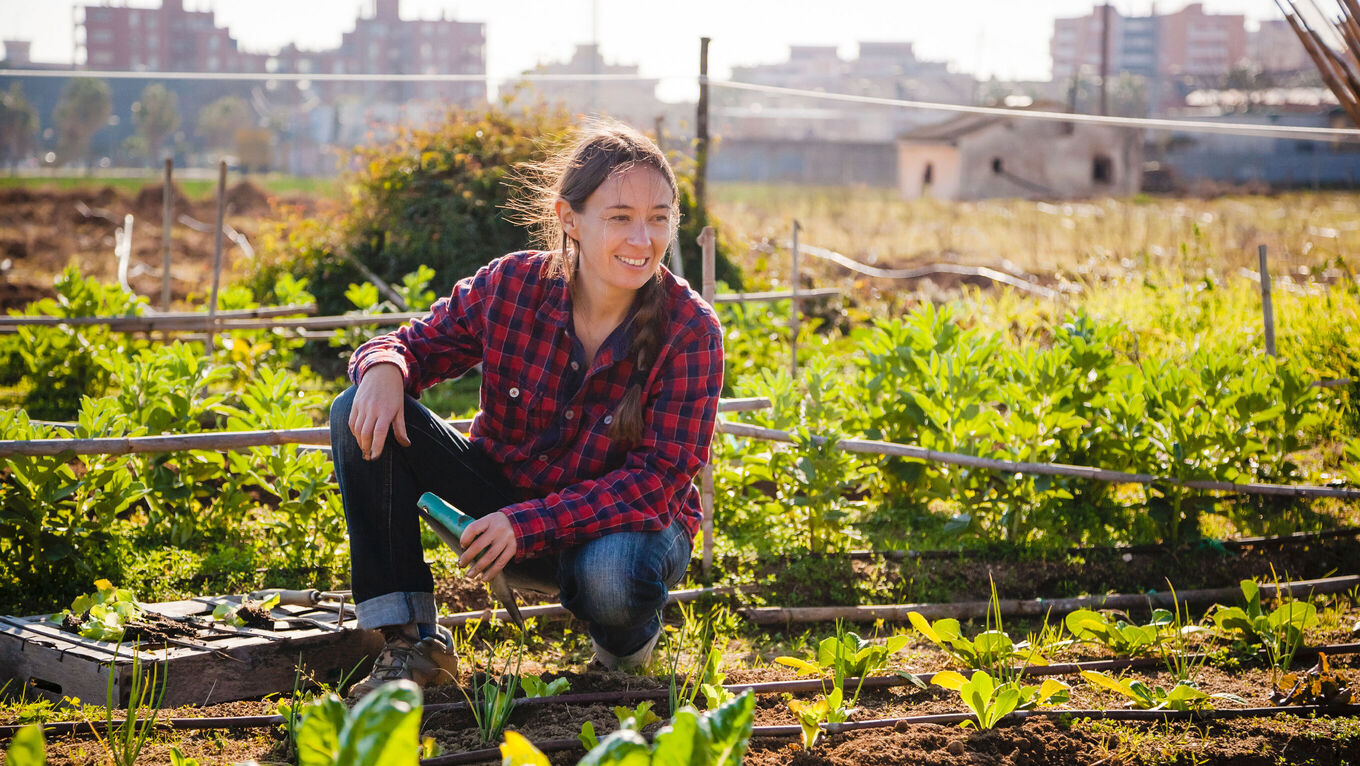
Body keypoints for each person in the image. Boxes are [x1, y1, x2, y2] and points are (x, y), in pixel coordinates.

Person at [329, 120, 724, 697]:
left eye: (659, 218)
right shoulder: (514, 286)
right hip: (501, 506)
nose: (643, 239)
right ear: (570, 220)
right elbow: (412, 343)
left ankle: (623, 644)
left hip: (618, 532)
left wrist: (528, 524)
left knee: (610, 579)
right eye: (620, 218)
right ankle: (412, 644)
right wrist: (386, 368)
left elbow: (656, 483)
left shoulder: (689, 331)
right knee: (356, 409)